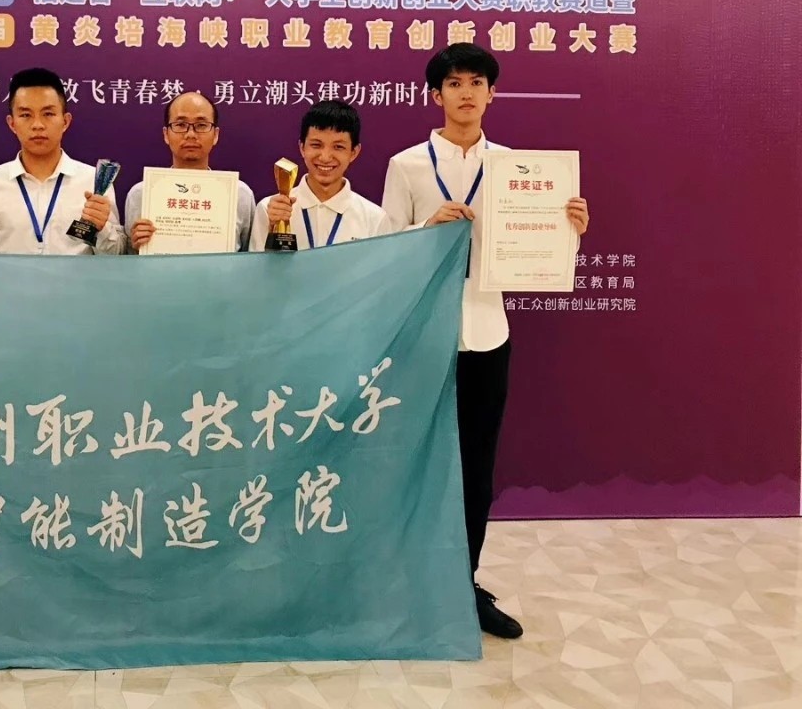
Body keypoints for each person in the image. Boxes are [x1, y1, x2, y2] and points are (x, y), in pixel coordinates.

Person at [381, 43, 590, 639]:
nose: (466, 92)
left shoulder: (517, 168)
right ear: (436, 94)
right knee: (414, 464)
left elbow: (541, 256)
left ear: (492, 94)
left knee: (476, 467)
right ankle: (406, 582)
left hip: (487, 333)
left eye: (477, 82)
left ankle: (462, 584)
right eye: (454, 83)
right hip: (424, 338)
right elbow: (386, 251)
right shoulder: (407, 166)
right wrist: (426, 230)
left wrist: (569, 230)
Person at [0, 68, 125, 255]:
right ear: (12, 123)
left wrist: (102, 229)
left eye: (48, 114)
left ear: (65, 121)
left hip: (78, 276)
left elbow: (116, 256)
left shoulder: (94, 182)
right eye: (26, 115)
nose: (38, 125)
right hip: (8, 277)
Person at [249, 100, 392, 251]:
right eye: (316, 145)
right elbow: (256, 265)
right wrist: (273, 229)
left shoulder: (374, 219)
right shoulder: (270, 210)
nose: (325, 157)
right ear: (302, 147)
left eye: (338, 147)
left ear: (353, 152)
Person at [124, 91, 255, 253]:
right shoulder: (141, 194)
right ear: (166, 134)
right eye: (180, 125)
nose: (191, 134)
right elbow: (130, 257)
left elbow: (249, 256)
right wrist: (136, 245)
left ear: (215, 135)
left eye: (201, 125)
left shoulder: (240, 195)